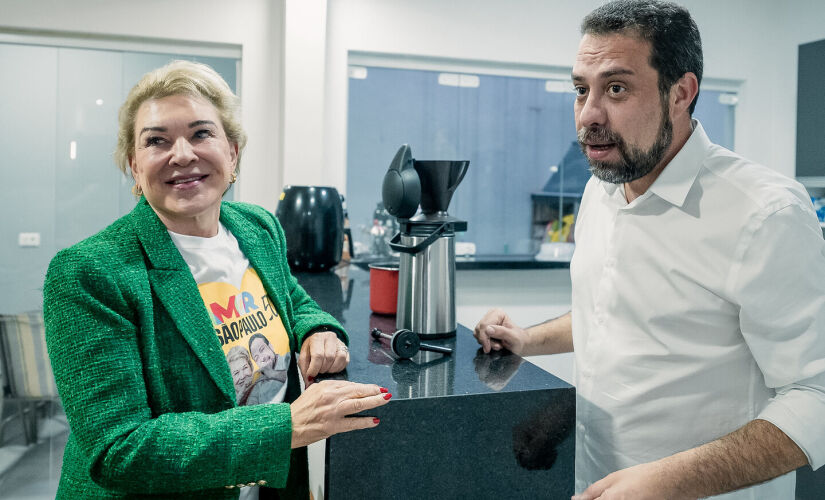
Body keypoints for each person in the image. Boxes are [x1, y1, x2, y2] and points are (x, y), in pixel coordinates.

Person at [474, 1, 825, 498]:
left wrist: (669, 480)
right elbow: (612, 311)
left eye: (616, 88)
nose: (589, 115)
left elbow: (815, 396)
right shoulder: (603, 188)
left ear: (681, 93)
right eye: (581, 90)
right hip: (591, 481)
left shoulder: (765, 213)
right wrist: (527, 340)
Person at [43, 60, 391, 500]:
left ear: (233, 152)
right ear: (134, 165)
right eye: (156, 140)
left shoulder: (256, 226)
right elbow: (117, 449)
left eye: (201, 133)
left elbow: (293, 299)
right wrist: (285, 427)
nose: (183, 154)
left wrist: (316, 328)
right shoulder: (91, 272)